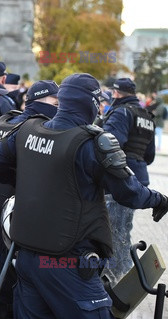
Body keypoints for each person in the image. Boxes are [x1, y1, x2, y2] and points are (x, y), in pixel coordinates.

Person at [0, 73, 168, 318]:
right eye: (98, 102)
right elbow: (129, 193)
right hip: (69, 263)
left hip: (27, 257)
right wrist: (159, 200)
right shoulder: (93, 142)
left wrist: (32, 179)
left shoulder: (27, 130)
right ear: (89, 103)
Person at [0, 80, 59, 319]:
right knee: (6, 300)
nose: (58, 107)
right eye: (55, 102)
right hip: (4, 227)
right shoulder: (33, 129)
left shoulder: (5, 119)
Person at [102, 78, 156, 283]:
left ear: (115, 93)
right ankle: (121, 274)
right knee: (122, 229)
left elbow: (109, 146)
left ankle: (114, 279)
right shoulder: (147, 116)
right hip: (139, 179)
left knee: (114, 232)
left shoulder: (121, 113)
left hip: (120, 180)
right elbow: (149, 155)